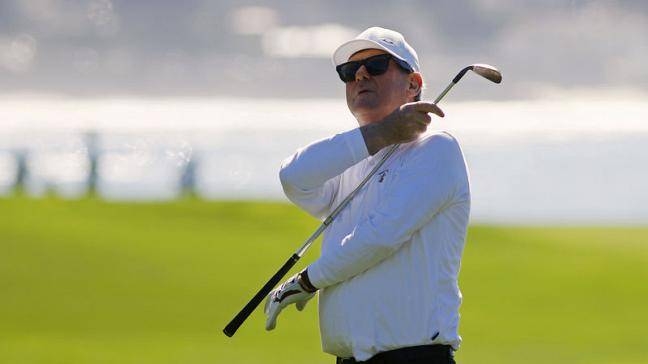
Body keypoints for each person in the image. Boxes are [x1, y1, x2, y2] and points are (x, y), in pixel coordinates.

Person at [264, 27, 470, 364]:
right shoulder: (351, 165)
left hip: (415, 356)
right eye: (348, 72)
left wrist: (306, 281)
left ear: (413, 84)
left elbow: (379, 237)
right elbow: (293, 177)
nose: (359, 75)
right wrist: (378, 134)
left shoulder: (437, 150)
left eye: (375, 65)